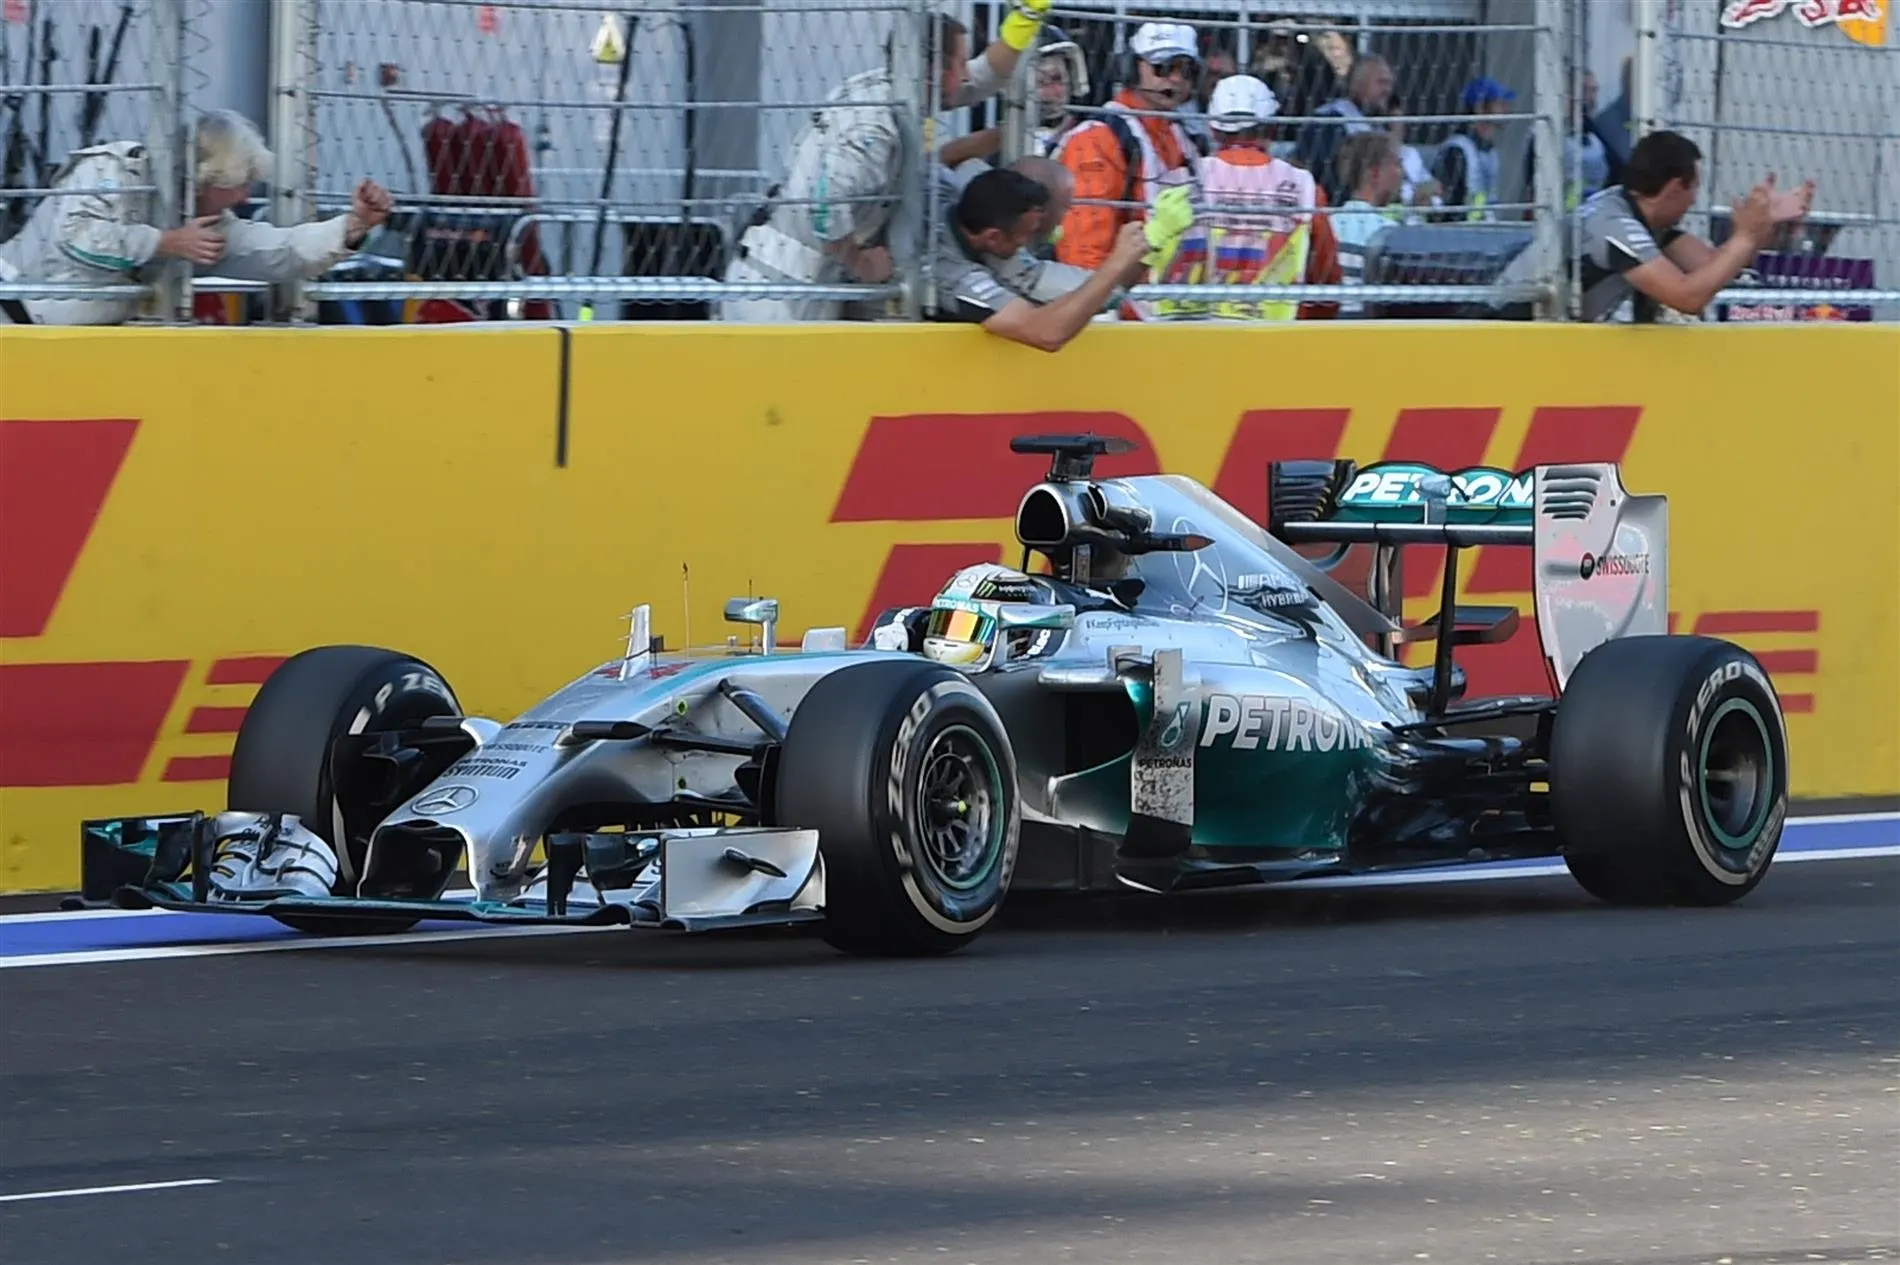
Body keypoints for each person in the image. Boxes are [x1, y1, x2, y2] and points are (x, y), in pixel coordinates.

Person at [717, 2, 1052, 323]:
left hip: (801, 277)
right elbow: (823, 207)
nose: (966, 75)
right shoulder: (875, 129)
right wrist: (860, 261)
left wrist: (1025, 18)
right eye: (960, 64)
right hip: (781, 287)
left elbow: (982, 78)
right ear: (934, 70)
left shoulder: (896, 89)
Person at [0, 108, 393, 326]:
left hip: (68, 342)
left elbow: (283, 250)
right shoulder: (115, 169)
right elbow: (78, 236)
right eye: (241, 183)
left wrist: (354, 224)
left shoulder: (209, 222)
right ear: (206, 178)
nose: (244, 196)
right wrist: (166, 243)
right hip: (11, 314)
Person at [1147, 74, 1343, 323]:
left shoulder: (1177, 181)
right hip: (1272, 341)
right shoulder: (1302, 187)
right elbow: (1326, 281)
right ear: (1271, 126)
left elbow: (1145, 261)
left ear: (1213, 129)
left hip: (1183, 338)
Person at [1575, 129, 1814, 323]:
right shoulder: (1615, 226)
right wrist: (1746, 237)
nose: (1693, 200)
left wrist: (1766, 223)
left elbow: (1712, 267)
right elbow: (1688, 297)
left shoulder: (1639, 211)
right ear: (1674, 189)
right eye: (1694, 188)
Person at [927, 165, 1159, 352]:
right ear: (993, 238)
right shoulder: (952, 273)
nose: (1027, 244)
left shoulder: (947, 182)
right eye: (1025, 235)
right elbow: (1045, 333)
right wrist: (1116, 263)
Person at [1051, 21, 1205, 278]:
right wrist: (1102, 309)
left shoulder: (1182, 137)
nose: (1176, 79)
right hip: (1117, 302)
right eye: (1163, 68)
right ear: (1133, 69)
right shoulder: (1098, 138)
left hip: (1170, 301)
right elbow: (1082, 254)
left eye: (1187, 70)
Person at [1291, 53, 1393, 206]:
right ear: (1357, 84)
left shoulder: (1381, 124)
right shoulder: (1327, 124)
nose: (1387, 90)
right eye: (1381, 82)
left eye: (1389, 83)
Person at [1435, 77, 1515, 222]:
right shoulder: (1458, 149)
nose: (1505, 108)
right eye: (1498, 103)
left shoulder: (1489, 149)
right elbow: (1452, 203)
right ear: (1479, 107)